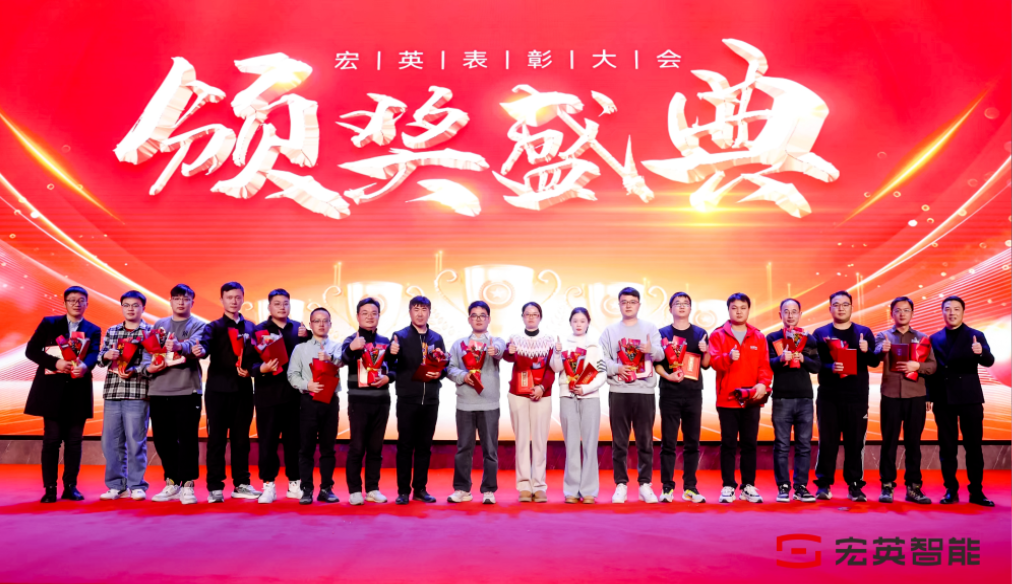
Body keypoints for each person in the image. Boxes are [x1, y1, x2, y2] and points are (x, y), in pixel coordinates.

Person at [24, 286, 101, 503]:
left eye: (81, 300)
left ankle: (70, 487)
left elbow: (94, 353)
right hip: (51, 392)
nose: (76, 304)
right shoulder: (50, 324)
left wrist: (85, 366)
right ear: (65, 303)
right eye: (72, 300)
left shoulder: (93, 329)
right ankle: (50, 488)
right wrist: (55, 362)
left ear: (87, 304)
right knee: (52, 440)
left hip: (78, 391)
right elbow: (31, 350)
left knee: (74, 441)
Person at [927, 296, 996, 507]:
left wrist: (981, 352)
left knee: (973, 446)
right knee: (947, 447)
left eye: (956, 309)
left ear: (963, 312)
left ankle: (976, 491)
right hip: (943, 398)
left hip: (969, 398)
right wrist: (928, 396)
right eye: (947, 309)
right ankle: (951, 490)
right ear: (942, 312)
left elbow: (989, 361)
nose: (952, 313)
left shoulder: (975, 335)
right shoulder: (934, 338)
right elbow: (931, 370)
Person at [812, 290, 880, 502]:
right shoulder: (820, 333)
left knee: (855, 442)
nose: (841, 308)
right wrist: (830, 367)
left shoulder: (863, 332)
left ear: (851, 307)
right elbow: (814, 364)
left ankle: (855, 485)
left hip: (857, 397)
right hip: (828, 397)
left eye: (845, 304)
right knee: (827, 442)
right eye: (836, 304)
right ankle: (824, 484)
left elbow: (874, 362)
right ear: (830, 308)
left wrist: (867, 351)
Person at [142, 284, 206, 505]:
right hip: (159, 390)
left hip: (187, 390)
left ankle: (187, 484)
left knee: (188, 439)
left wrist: (179, 345)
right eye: (176, 298)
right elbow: (150, 351)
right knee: (163, 440)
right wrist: (149, 366)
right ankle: (172, 481)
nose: (180, 302)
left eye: (185, 299)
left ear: (192, 302)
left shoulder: (199, 325)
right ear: (170, 301)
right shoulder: (159, 324)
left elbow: (195, 346)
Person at [599, 287, 664, 504]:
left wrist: (650, 350)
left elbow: (661, 354)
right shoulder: (609, 331)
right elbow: (601, 360)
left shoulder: (650, 328)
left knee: (645, 440)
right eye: (624, 302)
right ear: (618, 305)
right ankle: (621, 485)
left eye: (632, 302)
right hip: (619, 391)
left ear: (639, 305)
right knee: (619, 441)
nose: (628, 305)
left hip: (644, 391)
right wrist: (617, 368)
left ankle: (645, 484)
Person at [198, 282, 260, 503]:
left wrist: (251, 370)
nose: (234, 301)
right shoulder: (213, 327)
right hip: (217, 391)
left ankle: (241, 484)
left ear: (243, 298)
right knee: (216, 440)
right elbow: (204, 348)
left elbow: (257, 357)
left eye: (238, 297)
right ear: (222, 300)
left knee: (241, 440)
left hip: (243, 391)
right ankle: (215, 487)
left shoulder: (251, 327)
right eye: (229, 297)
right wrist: (199, 349)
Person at [709, 293, 773, 504]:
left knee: (749, 444)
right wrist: (727, 358)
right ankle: (728, 486)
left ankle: (748, 486)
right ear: (728, 310)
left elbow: (764, 366)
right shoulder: (718, 335)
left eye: (742, 308)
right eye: (734, 308)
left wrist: (763, 384)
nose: (738, 312)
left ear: (748, 310)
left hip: (751, 399)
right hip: (727, 399)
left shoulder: (758, 336)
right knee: (728, 443)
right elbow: (714, 362)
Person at [874, 296, 935, 504]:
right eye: (898, 310)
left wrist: (918, 366)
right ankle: (887, 486)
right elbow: (874, 359)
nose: (902, 314)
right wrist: (881, 350)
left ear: (912, 313)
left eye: (906, 310)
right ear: (892, 313)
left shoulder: (922, 338)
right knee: (888, 443)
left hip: (915, 396)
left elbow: (933, 366)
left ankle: (913, 487)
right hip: (890, 396)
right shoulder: (883, 336)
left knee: (913, 444)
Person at [250, 289, 309, 504]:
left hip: (295, 397)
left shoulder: (300, 329)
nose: (282, 307)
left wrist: (308, 338)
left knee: (295, 443)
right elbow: (248, 363)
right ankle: (268, 485)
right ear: (269, 307)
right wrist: (261, 369)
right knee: (268, 443)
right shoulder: (259, 331)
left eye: (286, 303)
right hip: (267, 397)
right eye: (277, 303)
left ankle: (295, 483)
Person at [445, 300, 506, 504]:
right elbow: (449, 368)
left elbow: (501, 350)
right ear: (469, 319)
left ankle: (489, 490)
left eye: (482, 315)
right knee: (464, 449)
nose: (478, 319)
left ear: (489, 319)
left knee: (490, 450)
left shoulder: (495, 342)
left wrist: (495, 351)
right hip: (465, 404)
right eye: (474, 315)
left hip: (489, 405)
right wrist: (463, 376)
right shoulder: (459, 344)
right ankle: (462, 489)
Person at [388, 295, 446, 505]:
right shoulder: (400, 336)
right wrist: (391, 353)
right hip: (407, 399)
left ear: (429, 312)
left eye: (424, 309)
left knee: (424, 446)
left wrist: (440, 373)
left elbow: (444, 364)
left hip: (430, 400)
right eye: (416, 309)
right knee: (405, 446)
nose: (420, 314)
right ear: (410, 312)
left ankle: (420, 489)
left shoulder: (436, 338)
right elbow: (390, 365)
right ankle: (403, 491)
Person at [97, 290, 153, 501]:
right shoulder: (112, 330)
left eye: (135, 305)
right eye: (126, 305)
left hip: (137, 392)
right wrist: (106, 355)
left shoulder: (150, 332)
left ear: (143, 308)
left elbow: (153, 363)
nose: (131, 309)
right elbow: (100, 358)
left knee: (136, 441)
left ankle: (137, 485)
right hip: (113, 392)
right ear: (121, 307)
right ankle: (116, 486)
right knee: (110, 442)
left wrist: (135, 370)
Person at [655, 292, 711, 504]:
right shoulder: (662, 333)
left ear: (690, 308)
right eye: (677, 303)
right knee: (668, 442)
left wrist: (706, 351)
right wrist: (668, 376)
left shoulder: (700, 333)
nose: (681, 306)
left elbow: (705, 364)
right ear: (670, 309)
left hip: (693, 393)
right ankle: (667, 487)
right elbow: (656, 364)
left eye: (685, 303)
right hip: (669, 393)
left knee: (692, 442)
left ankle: (690, 487)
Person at [340, 297, 395, 506]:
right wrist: (352, 348)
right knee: (357, 447)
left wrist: (389, 377)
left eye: (374, 313)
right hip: (359, 402)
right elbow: (341, 361)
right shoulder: (350, 340)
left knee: (375, 448)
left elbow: (395, 367)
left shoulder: (385, 341)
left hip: (381, 401)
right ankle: (355, 490)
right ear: (357, 316)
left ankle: (372, 488)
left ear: (379, 316)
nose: (370, 317)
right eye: (365, 313)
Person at [766, 298, 820, 503]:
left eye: (794, 311)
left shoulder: (809, 339)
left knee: (804, 445)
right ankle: (783, 486)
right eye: (786, 311)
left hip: (805, 398)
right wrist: (780, 359)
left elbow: (817, 366)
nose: (790, 315)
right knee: (781, 445)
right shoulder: (773, 338)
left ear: (800, 314)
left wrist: (803, 358)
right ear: (780, 314)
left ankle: (801, 487)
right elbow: (766, 364)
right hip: (782, 398)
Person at [504, 301, 557, 503]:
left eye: (535, 314)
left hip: (542, 394)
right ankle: (524, 485)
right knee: (522, 440)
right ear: (523, 317)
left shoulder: (549, 340)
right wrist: (509, 351)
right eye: (528, 314)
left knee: (540, 441)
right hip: (518, 394)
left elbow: (552, 368)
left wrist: (542, 387)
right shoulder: (515, 338)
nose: (531, 317)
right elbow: (508, 358)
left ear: (540, 317)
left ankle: (540, 485)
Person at [552, 307, 606, 504]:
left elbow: (602, 373)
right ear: (570, 322)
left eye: (582, 321)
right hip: (567, 396)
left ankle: (589, 490)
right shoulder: (563, 344)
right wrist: (557, 353)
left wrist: (587, 388)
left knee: (590, 444)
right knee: (572, 444)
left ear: (588, 323)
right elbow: (556, 368)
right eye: (575, 321)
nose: (579, 324)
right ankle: (571, 490)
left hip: (590, 398)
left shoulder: (595, 346)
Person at [288, 307, 342, 504]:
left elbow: (342, 362)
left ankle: (326, 488)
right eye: (316, 321)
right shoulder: (300, 349)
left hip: (330, 401)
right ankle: (306, 489)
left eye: (325, 320)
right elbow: (292, 374)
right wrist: (306, 385)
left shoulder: (337, 347)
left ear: (330, 324)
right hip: (309, 401)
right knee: (306, 448)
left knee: (328, 448)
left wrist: (330, 359)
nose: (321, 324)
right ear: (310, 325)